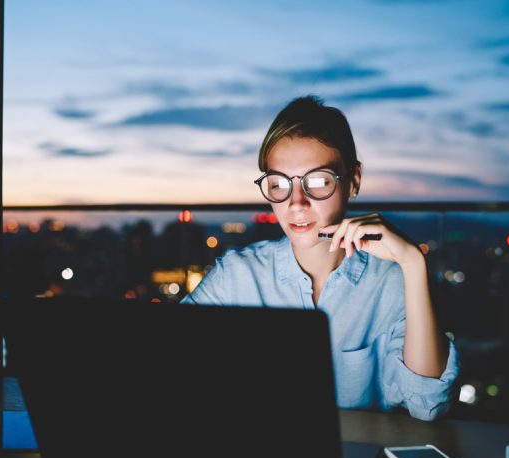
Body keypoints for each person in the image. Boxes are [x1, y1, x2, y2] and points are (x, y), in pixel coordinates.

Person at [181, 95, 459, 421]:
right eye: (279, 184)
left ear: (353, 180)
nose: (296, 202)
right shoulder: (237, 276)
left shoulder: (391, 281)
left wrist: (412, 263)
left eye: (317, 182)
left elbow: (428, 405)